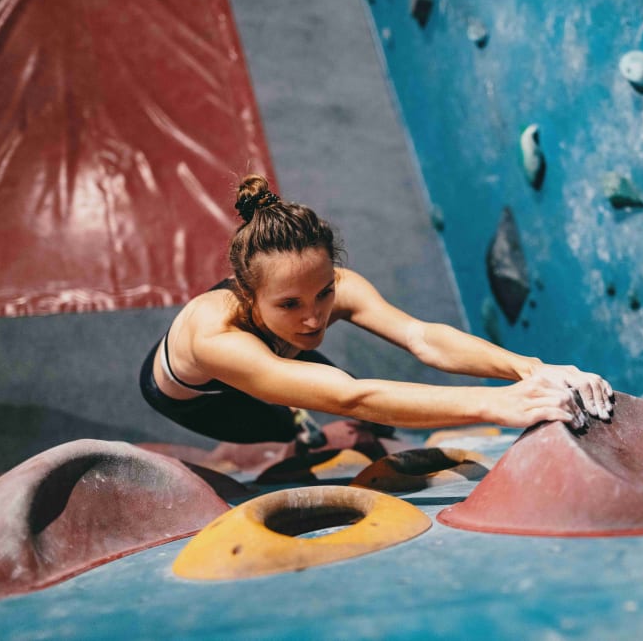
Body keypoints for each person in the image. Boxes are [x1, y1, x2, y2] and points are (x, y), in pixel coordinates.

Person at [139, 174, 614, 449]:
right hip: (207, 398)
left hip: (277, 355)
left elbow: (422, 338)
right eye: (289, 304)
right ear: (246, 294)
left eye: (323, 293)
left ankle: (303, 407)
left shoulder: (331, 290)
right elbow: (351, 397)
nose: (313, 318)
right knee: (292, 427)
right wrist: (495, 403)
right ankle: (298, 427)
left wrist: (529, 369)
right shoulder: (215, 335)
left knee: (353, 409)